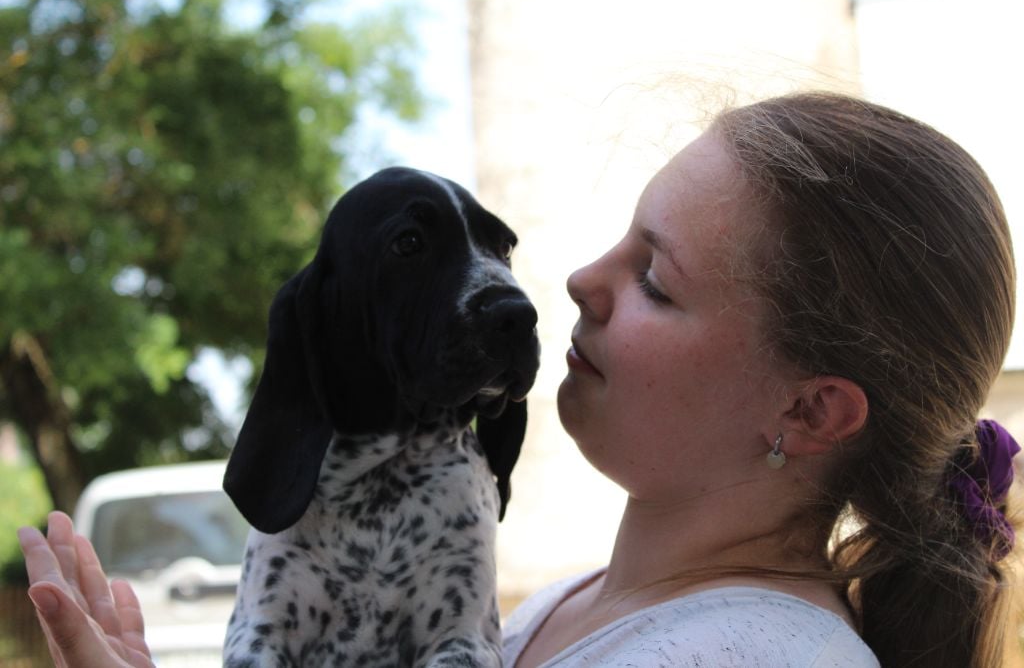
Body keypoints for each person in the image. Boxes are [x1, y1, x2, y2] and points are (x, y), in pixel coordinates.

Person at [18, 92, 1019, 667]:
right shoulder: (567, 609)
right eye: (616, 242)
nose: (577, 280)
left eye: (655, 281)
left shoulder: (750, 657)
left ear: (806, 409)